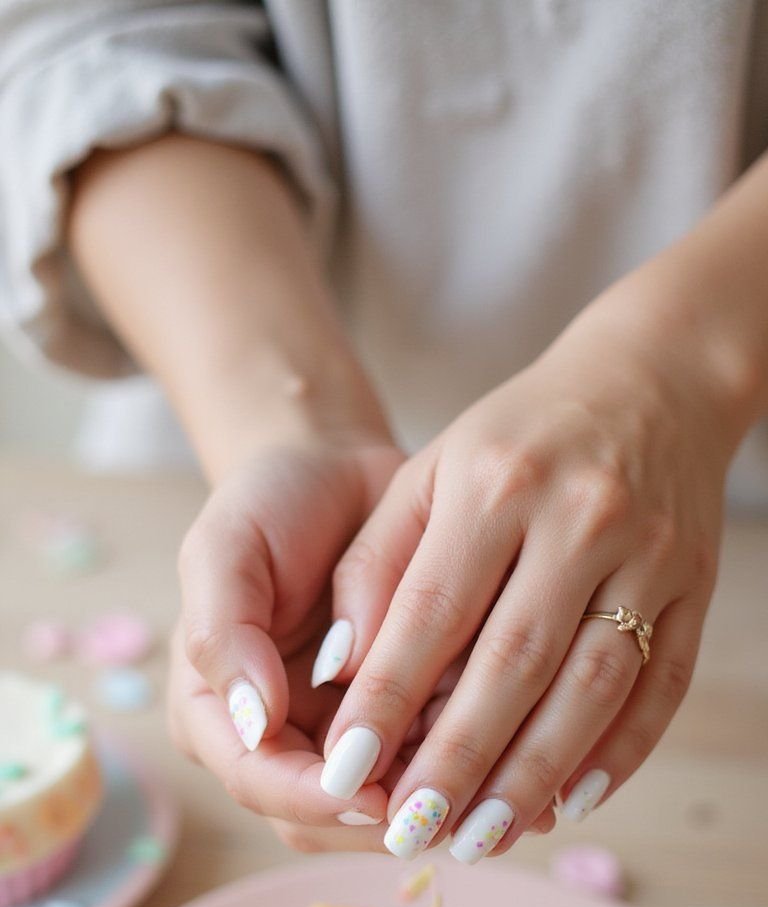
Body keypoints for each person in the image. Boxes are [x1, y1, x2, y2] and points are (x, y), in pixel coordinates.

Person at [2, 2, 767, 862]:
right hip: (226, 374)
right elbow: (92, 37)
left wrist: (681, 372)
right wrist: (295, 424)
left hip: (725, 511)